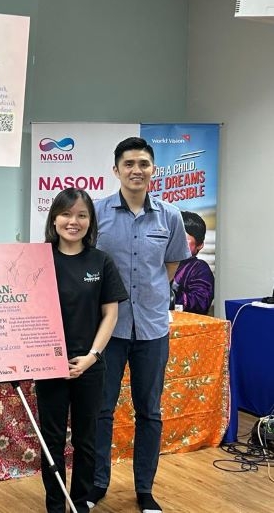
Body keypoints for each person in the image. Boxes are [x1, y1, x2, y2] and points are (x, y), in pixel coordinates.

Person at [88, 137, 190, 513]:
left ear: (153, 170)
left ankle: (145, 489)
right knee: (102, 410)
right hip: (108, 330)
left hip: (152, 329)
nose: (136, 170)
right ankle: (98, 483)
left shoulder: (170, 216)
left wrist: (150, 296)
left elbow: (170, 267)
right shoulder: (95, 212)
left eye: (143, 164)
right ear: (116, 170)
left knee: (150, 412)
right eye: (129, 163)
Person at [35, 188, 127, 513]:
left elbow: (110, 314)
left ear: (90, 221)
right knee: (52, 441)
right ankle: (55, 505)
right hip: (49, 365)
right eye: (66, 214)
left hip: (89, 366)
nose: (73, 221)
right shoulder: (38, 260)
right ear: (54, 219)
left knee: (86, 440)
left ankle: (80, 504)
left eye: (81, 215)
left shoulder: (101, 261)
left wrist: (91, 357)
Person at [171, 211, 215, 315]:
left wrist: (168, 297)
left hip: (183, 322)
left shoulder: (199, 268)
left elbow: (201, 302)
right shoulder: (159, 263)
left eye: (183, 241)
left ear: (200, 245)